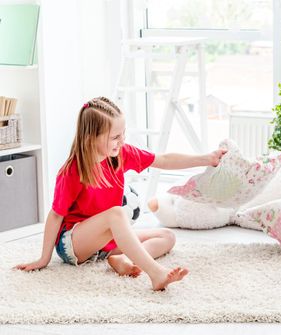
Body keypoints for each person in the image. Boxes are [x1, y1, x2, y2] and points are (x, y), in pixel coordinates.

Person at [16, 96, 226, 291]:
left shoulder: (121, 154)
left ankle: (123, 259)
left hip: (105, 243)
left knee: (167, 236)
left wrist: (207, 159)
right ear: (91, 138)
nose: (122, 141)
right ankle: (156, 274)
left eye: (123, 134)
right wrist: (44, 258)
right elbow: (55, 216)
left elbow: (163, 159)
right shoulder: (73, 171)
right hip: (74, 244)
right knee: (116, 213)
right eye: (115, 137)